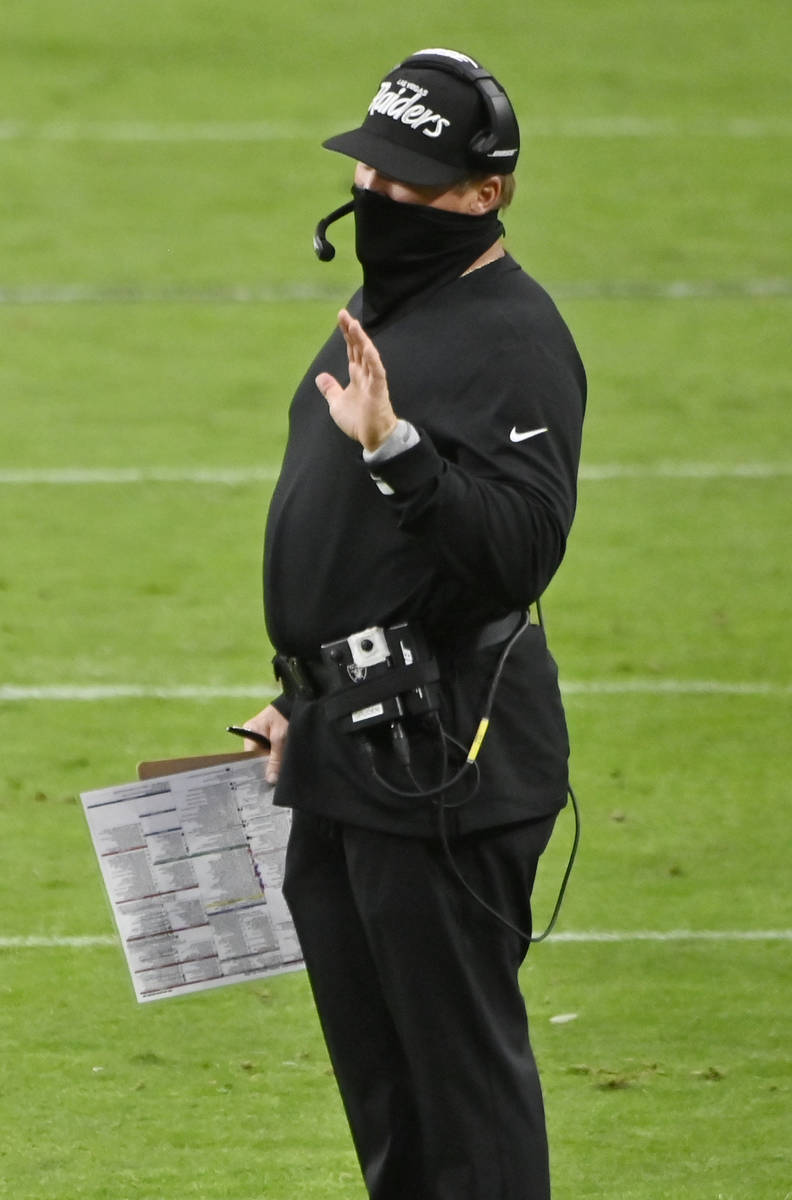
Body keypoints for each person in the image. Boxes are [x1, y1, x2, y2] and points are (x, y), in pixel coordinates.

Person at [242, 47, 586, 1200]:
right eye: (373, 177)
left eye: (411, 184)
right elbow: (360, 554)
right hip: (350, 746)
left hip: (446, 763)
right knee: (390, 1107)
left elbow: (519, 553)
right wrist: (306, 699)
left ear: (486, 193)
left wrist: (399, 452)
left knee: (464, 1112)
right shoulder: (391, 305)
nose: (381, 200)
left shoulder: (515, 337)